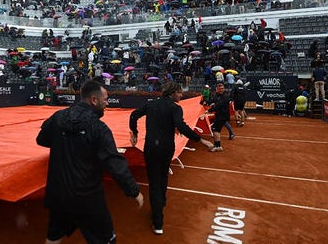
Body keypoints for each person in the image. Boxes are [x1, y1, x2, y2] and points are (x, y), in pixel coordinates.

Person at [37, 80, 144, 244]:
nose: (107, 103)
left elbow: (42, 139)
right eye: (105, 99)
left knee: (54, 236)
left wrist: (64, 142)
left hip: (59, 194)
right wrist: (133, 191)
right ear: (94, 100)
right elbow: (114, 163)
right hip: (88, 197)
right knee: (106, 240)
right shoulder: (99, 128)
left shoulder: (58, 117)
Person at [129, 82, 212, 235]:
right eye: (180, 93)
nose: (181, 95)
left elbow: (134, 115)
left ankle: (158, 216)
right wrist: (201, 140)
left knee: (154, 181)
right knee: (162, 178)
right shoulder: (175, 108)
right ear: (172, 93)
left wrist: (134, 132)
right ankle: (159, 213)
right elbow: (181, 126)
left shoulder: (151, 105)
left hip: (151, 148)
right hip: (166, 148)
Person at [202, 82, 231, 151]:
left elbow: (218, 105)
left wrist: (209, 111)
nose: (221, 90)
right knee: (216, 130)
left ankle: (217, 146)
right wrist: (205, 102)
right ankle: (218, 146)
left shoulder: (225, 97)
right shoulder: (217, 95)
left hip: (223, 116)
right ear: (217, 89)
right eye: (220, 89)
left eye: (222, 88)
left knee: (215, 130)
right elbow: (212, 100)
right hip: (219, 115)